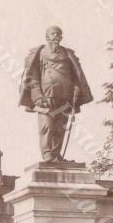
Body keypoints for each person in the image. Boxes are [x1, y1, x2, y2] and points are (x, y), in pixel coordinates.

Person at [19, 26, 93, 162]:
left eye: (59, 34)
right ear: (47, 37)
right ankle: (47, 155)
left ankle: (56, 155)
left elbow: (76, 75)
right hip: (46, 97)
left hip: (65, 97)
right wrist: (38, 96)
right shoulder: (39, 53)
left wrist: (77, 89)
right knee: (47, 127)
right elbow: (33, 77)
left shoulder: (68, 53)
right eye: (53, 33)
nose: (56, 36)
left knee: (60, 128)